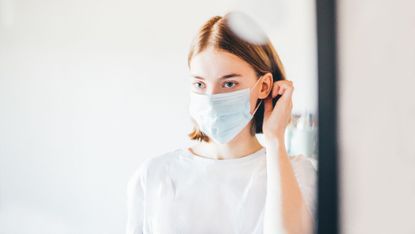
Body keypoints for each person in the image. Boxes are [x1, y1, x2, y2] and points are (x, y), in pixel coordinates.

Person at [126, 11, 317, 234]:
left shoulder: (299, 174)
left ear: (264, 87)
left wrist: (275, 140)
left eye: (229, 84)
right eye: (200, 84)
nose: (211, 98)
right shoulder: (154, 175)